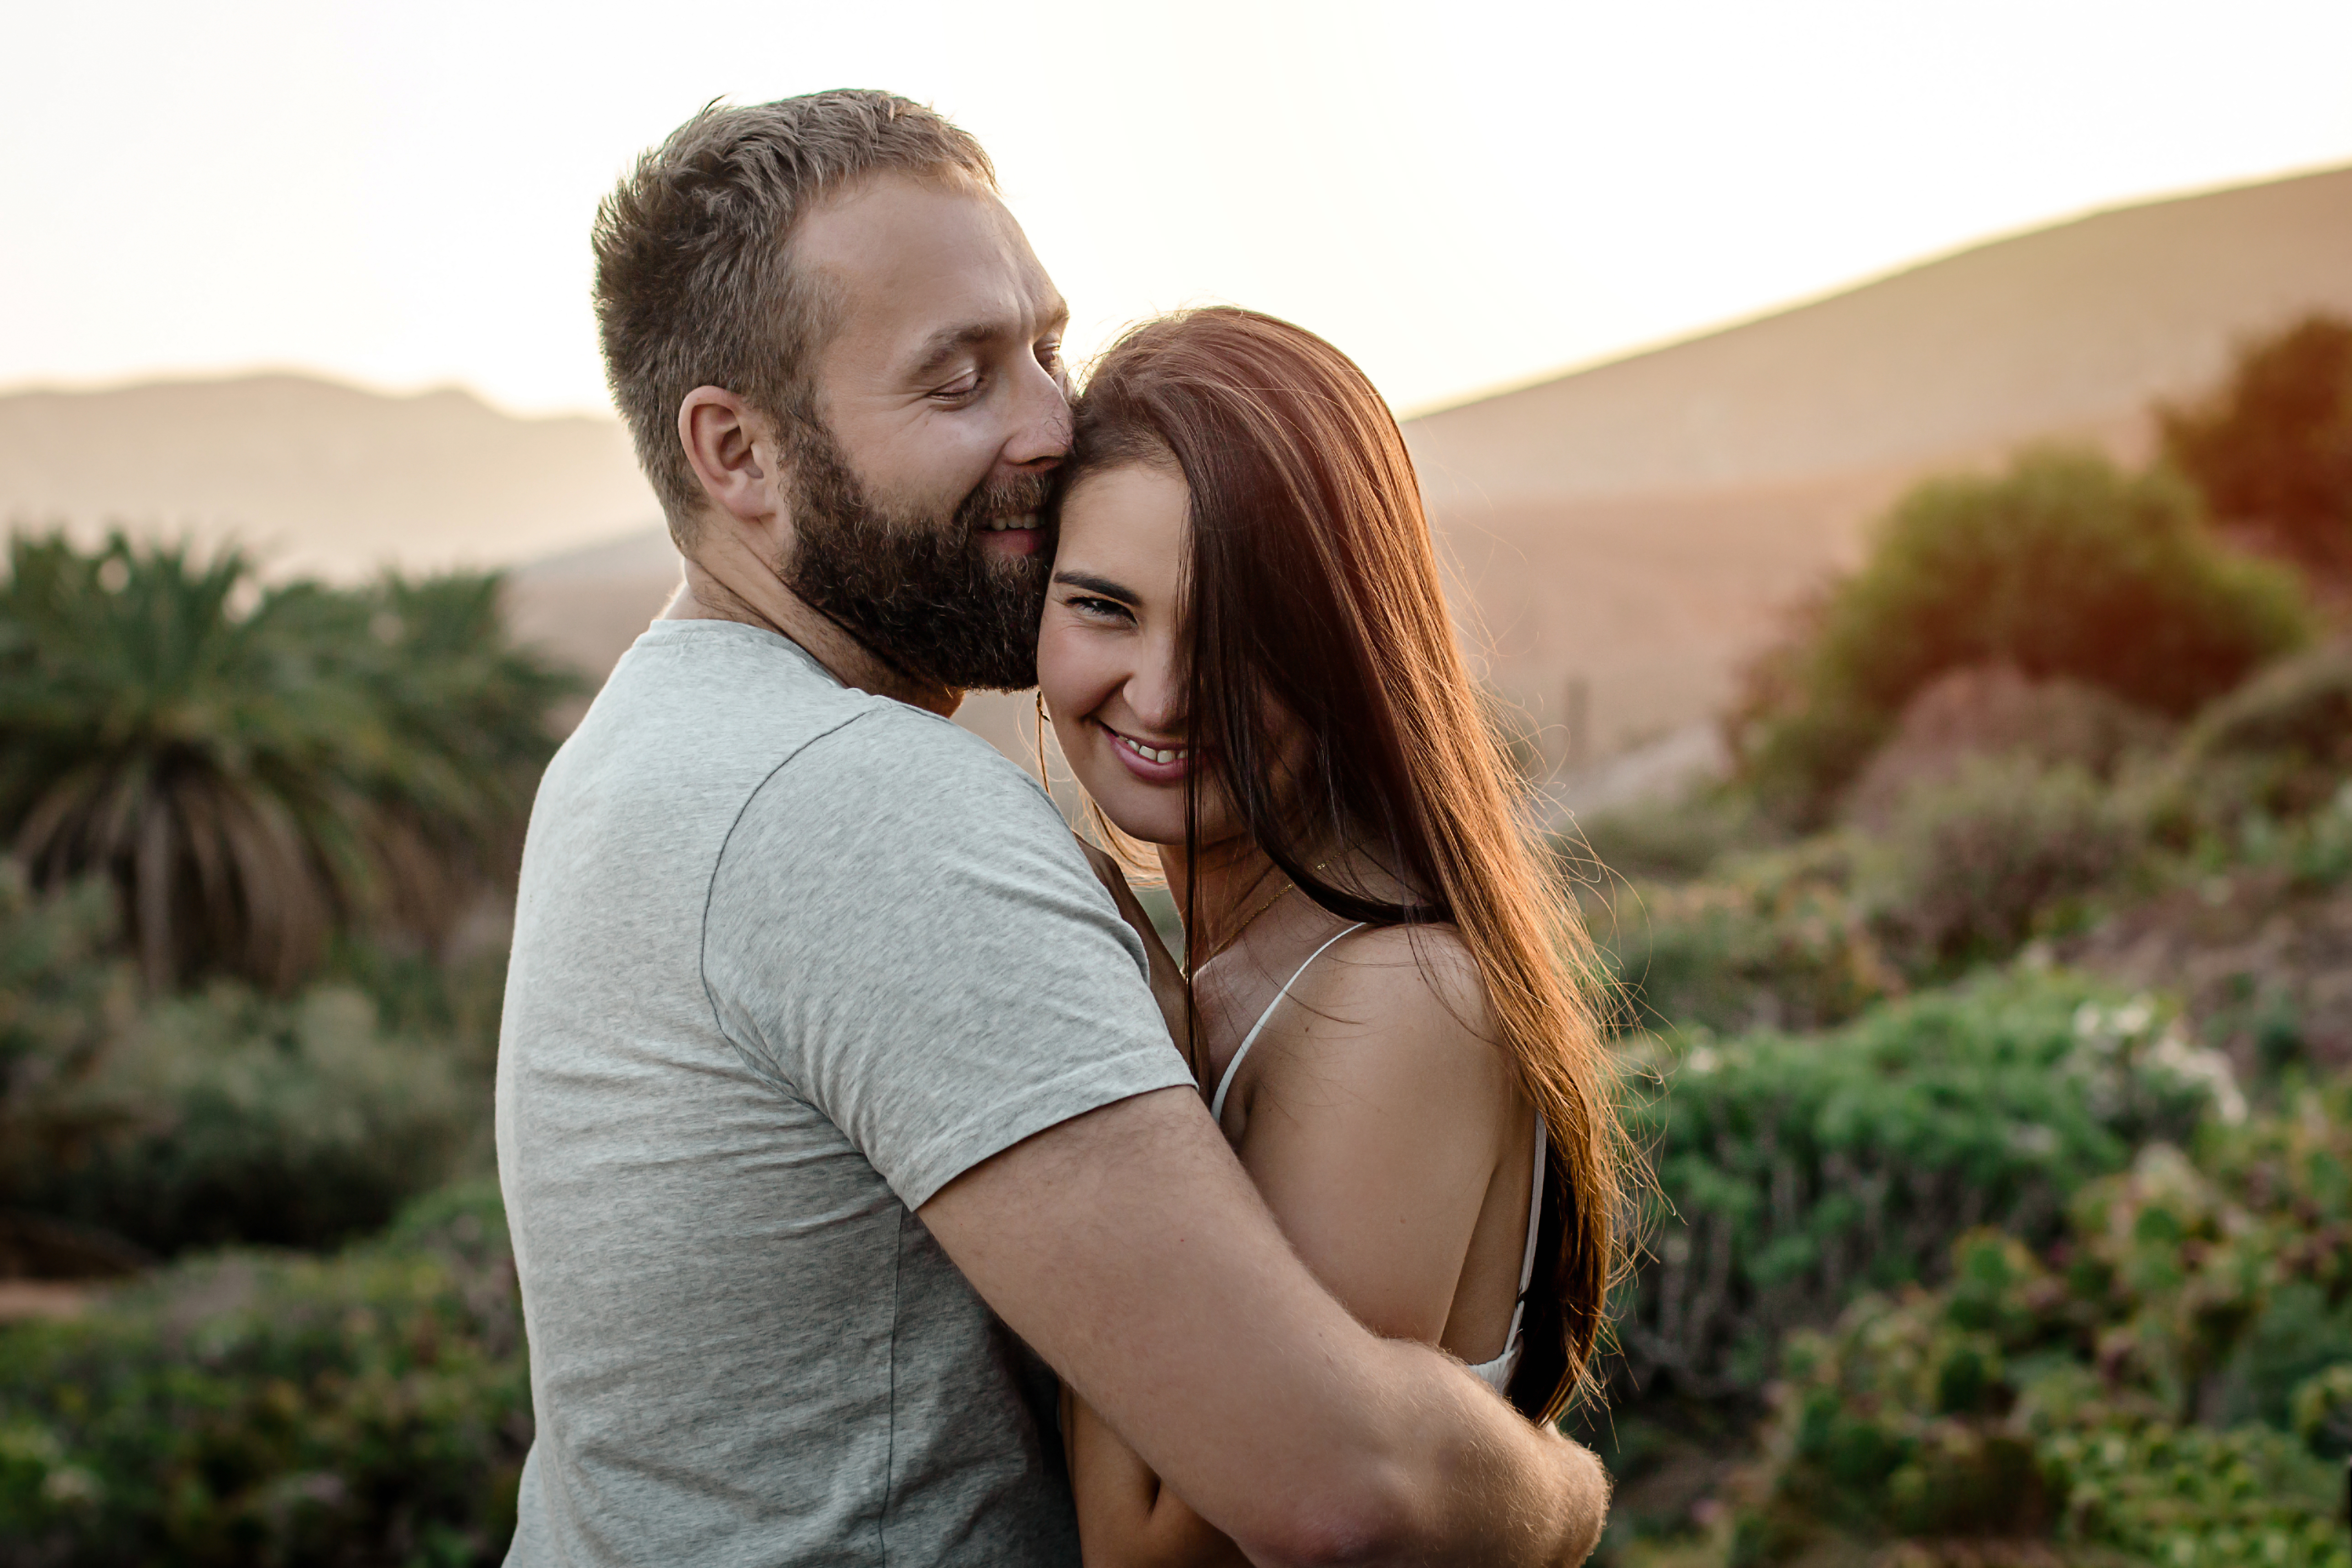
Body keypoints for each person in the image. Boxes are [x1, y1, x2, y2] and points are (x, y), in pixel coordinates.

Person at [494, 91, 1611, 1567]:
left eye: (1041, 346)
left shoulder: (640, 740)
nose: (1047, 424)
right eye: (958, 381)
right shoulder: (859, 801)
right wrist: (1560, 1494)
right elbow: (1341, 1490)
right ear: (738, 455)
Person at [1037, 308, 1629, 1566]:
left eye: (1238, 636)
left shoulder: (1396, 997)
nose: (1158, 693)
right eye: (1102, 607)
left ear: (1343, 644)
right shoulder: (1231, 964)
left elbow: (1153, 1553)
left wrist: (1103, 1050)